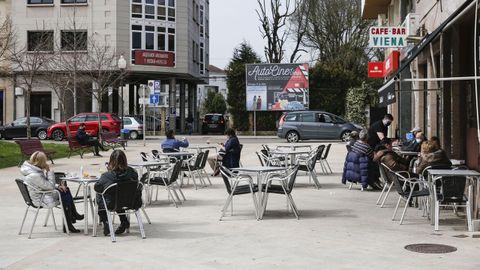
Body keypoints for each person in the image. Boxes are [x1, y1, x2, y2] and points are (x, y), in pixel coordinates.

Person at [20, 151, 83, 233]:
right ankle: (70, 221)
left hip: (42, 193)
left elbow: (44, 184)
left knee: (65, 190)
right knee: (64, 194)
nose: (46, 163)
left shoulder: (33, 171)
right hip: (41, 199)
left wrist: (58, 186)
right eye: (45, 161)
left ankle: (70, 220)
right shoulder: (34, 175)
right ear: (41, 162)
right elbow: (49, 186)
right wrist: (48, 171)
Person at [94, 150, 140, 236]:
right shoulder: (132, 172)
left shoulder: (107, 175)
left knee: (99, 196)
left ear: (111, 161)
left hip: (113, 203)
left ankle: (106, 222)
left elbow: (97, 187)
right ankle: (124, 221)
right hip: (132, 201)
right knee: (119, 196)